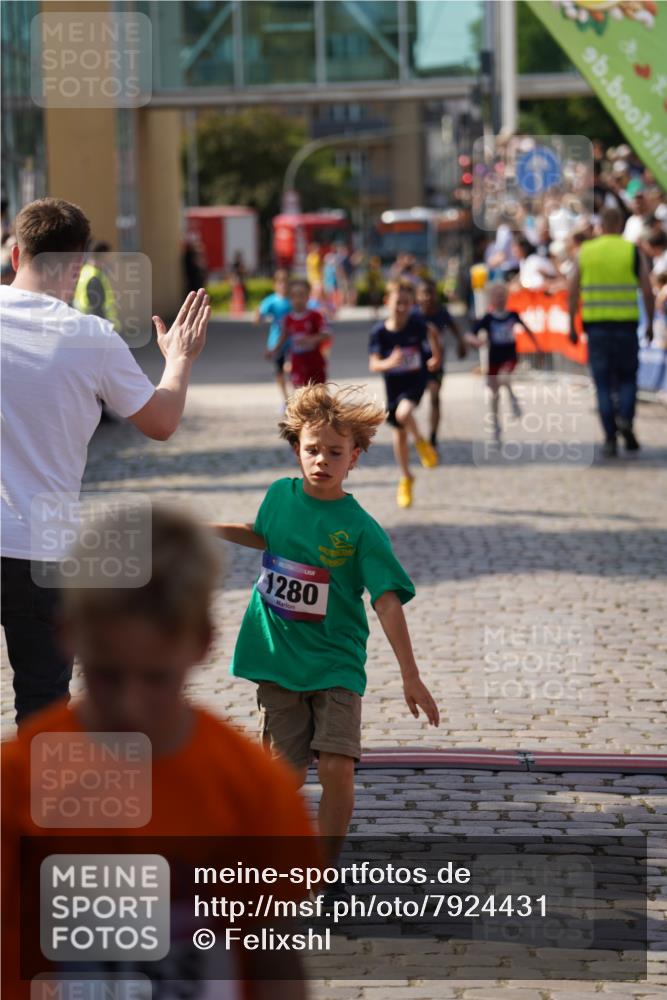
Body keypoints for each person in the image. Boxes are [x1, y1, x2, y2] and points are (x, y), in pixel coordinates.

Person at [1, 505, 315, 999]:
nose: (130, 705)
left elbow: (273, 955)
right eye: (106, 674)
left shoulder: (251, 786)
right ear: (68, 636)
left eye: (155, 678)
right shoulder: (18, 782)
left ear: (201, 644)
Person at [212, 384, 439, 880]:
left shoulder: (360, 529)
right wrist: (212, 530)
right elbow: (264, 533)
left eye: (334, 452)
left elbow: (386, 602)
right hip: (279, 658)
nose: (321, 460)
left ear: (354, 457)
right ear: (297, 449)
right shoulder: (279, 495)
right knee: (284, 774)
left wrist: (411, 675)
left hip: (336, 661)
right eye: (312, 450)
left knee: (338, 766)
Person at [0, 197, 210, 725]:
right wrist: (179, 360)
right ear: (76, 264)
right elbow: (160, 422)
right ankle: (35, 808)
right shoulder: (91, 337)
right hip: (40, 548)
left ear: (14, 251)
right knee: (43, 702)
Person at [568, 206, 655, 456]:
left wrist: (570, 324)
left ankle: (609, 438)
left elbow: (572, 291)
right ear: (619, 224)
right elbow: (648, 291)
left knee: (603, 383)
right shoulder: (631, 251)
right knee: (628, 379)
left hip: (596, 329)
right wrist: (649, 323)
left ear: (600, 226)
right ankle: (626, 420)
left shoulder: (586, 252)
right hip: (626, 327)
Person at [369, 279, 442, 509]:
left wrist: (436, 357)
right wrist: (389, 362)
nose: (402, 308)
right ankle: (406, 477)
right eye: (398, 303)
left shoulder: (417, 324)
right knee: (399, 434)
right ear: (387, 302)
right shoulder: (379, 332)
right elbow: (374, 364)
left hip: (415, 382)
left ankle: (421, 444)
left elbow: (433, 333)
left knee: (403, 414)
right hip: (393, 385)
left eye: (407, 303)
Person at [465, 282, 538, 443]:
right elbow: (469, 334)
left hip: (509, 355)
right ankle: (496, 425)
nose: (499, 299)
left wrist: (536, 346)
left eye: (502, 296)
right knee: (494, 394)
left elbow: (527, 329)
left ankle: (513, 401)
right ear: (491, 299)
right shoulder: (488, 318)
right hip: (494, 358)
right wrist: (477, 342)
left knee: (504, 378)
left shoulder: (512, 315)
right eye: (496, 296)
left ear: (506, 298)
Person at [415, 278, 466, 450]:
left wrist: (461, 343)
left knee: (435, 398)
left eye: (431, 294)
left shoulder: (441, 312)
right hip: (415, 365)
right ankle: (412, 433)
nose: (428, 297)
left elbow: (455, 327)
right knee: (412, 401)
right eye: (424, 294)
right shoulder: (413, 315)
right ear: (418, 296)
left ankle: (433, 436)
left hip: (436, 362)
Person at [272, 278, 328, 390]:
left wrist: (310, 340)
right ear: (289, 298)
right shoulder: (288, 319)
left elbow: (326, 334)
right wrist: (274, 349)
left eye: (301, 295)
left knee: (318, 392)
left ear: (308, 296)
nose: (298, 299)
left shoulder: (315, 316)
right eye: (294, 296)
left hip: (314, 360)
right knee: (300, 392)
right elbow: (284, 335)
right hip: (297, 361)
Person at [257, 268, 292, 401]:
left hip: (292, 341)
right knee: (279, 373)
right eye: (280, 282)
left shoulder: (293, 300)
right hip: (275, 341)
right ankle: (285, 399)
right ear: (275, 285)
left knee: (289, 367)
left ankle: (295, 397)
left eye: (286, 282)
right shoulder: (270, 301)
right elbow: (258, 319)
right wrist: (258, 315)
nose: (283, 285)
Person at [72, 239, 121, 332]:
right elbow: (96, 310)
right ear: (102, 256)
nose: (110, 259)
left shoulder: (84, 271)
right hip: (101, 330)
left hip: (85, 327)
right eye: (108, 256)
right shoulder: (95, 277)